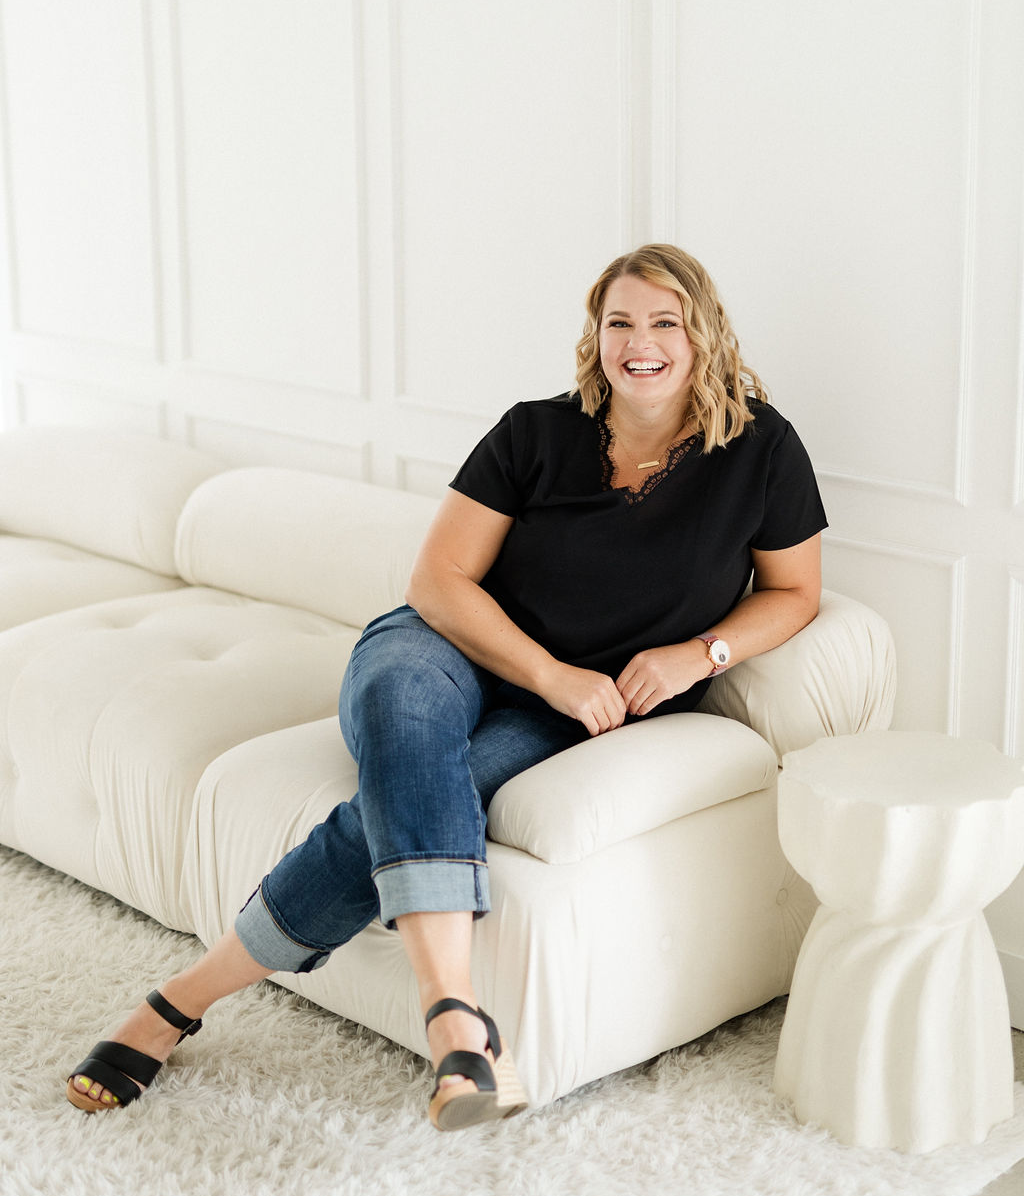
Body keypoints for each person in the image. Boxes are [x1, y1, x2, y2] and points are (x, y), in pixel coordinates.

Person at [67, 243, 827, 1131]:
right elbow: (437, 583)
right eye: (620, 321)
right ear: (596, 336)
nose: (641, 342)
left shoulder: (761, 449)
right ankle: (455, 1015)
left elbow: (794, 593)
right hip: (447, 649)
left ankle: (175, 1003)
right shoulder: (536, 431)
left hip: (582, 711)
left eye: (665, 321)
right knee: (402, 716)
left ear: (703, 333)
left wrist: (702, 656)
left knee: (410, 797)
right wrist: (550, 672)